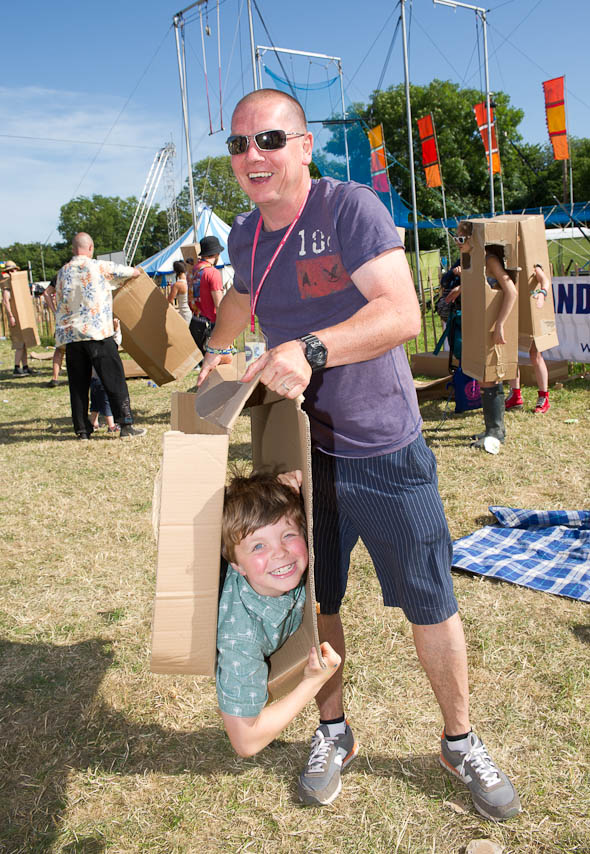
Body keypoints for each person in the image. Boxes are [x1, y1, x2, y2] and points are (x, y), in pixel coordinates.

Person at [197, 89, 521, 820]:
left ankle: (459, 738)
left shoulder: (350, 210)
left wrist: (310, 349)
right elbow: (242, 305)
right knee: (315, 600)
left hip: (384, 446)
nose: (253, 156)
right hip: (297, 456)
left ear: (304, 147)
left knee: (430, 602)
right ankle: (333, 730)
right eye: (239, 144)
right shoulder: (246, 235)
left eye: (271, 140)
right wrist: (214, 358)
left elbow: (401, 313)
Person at [218, 471, 341, 759]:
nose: (280, 553)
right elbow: (245, 742)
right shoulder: (240, 637)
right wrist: (312, 682)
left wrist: (288, 483)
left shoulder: (283, 566)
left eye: (288, 535)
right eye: (258, 546)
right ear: (236, 564)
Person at [45, 232, 146, 440]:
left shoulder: (62, 272)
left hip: (72, 337)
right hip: (97, 332)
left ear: (73, 249)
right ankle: (125, 425)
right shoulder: (99, 266)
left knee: (78, 385)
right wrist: (138, 271)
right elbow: (131, 273)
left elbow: (49, 293)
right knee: (114, 380)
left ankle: (82, 430)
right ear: (90, 248)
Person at [454, 220, 517, 454]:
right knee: (483, 376)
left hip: (492, 326)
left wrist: (500, 323)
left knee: (490, 376)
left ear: (474, 239)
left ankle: (496, 431)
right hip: (479, 324)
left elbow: (511, 290)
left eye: (461, 238)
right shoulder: (471, 260)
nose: (458, 243)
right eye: (456, 238)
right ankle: (492, 428)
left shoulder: (489, 259)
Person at [505, 264, 551, 414]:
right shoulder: (508, 261)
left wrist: (542, 293)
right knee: (511, 353)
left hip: (531, 311)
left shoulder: (532, 264)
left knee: (535, 354)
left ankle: (544, 397)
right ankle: (515, 395)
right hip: (513, 310)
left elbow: (545, 280)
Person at [188, 236, 225, 356]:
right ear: (216, 254)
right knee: (217, 362)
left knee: (204, 361)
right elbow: (218, 304)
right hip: (210, 324)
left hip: (195, 321)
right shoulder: (212, 273)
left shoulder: (194, 271)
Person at [1, 260, 36, 376]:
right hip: (15, 317)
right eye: (11, 270)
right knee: (19, 343)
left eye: (15, 269)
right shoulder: (6, 283)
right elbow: (6, 301)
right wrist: (11, 316)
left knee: (25, 343)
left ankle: (25, 366)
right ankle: (17, 367)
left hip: (22, 315)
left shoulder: (19, 283)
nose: (14, 271)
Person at [42, 277, 64, 388]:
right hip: (80, 316)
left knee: (59, 349)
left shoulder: (61, 275)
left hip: (63, 316)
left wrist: (55, 312)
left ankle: (55, 378)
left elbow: (46, 293)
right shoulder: (84, 272)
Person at [167, 260, 192, 325]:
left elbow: (169, 301)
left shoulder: (177, 285)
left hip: (184, 313)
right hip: (188, 312)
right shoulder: (188, 280)